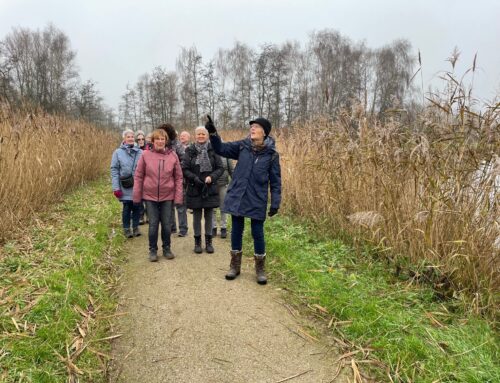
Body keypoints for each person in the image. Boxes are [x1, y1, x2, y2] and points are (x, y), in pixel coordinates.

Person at [206, 116, 281, 285]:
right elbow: (221, 149)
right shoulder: (242, 146)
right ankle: (235, 266)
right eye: (251, 126)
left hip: (257, 197)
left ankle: (260, 269)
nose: (252, 129)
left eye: (256, 126)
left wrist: (275, 202)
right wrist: (213, 133)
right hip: (238, 194)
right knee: (237, 230)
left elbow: (276, 181)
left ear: (264, 132)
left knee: (257, 233)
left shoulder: (272, 155)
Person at [132, 128, 183, 262]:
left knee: (166, 224)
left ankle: (167, 248)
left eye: (163, 139)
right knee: (153, 224)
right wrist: (137, 196)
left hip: (167, 196)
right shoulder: (145, 155)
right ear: (153, 141)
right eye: (158, 139)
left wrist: (178, 197)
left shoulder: (173, 156)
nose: (160, 141)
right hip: (150, 196)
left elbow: (178, 178)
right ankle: (152, 250)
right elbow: (138, 176)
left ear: (166, 141)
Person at [182, 126, 224, 254]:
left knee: (209, 216)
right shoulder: (190, 150)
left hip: (210, 188)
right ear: (195, 136)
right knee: (196, 217)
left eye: (203, 134)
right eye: (198, 134)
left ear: (207, 136)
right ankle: (197, 242)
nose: (201, 136)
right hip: (195, 188)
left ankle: (209, 242)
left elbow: (220, 167)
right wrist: (194, 178)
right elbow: (184, 169)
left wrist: (212, 177)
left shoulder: (213, 149)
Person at [110, 129, 143, 238]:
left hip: (138, 184)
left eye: (132, 136)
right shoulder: (117, 152)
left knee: (137, 206)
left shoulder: (140, 152)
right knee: (127, 207)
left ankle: (136, 227)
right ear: (124, 138)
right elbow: (114, 170)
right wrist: (116, 188)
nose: (130, 138)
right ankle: (126, 228)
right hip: (125, 185)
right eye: (128, 136)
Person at [159, 123, 188, 237]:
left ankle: (183, 228)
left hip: (178, 178)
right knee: (168, 205)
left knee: (180, 204)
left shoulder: (177, 145)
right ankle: (172, 227)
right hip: (165, 180)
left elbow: (184, 160)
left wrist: (173, 168)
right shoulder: (160, 145)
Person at [212, 153, 233, 238]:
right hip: (212, 184)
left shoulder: (226, 153)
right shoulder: (209, 150)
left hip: (223, 184)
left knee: (223, 207)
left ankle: (223, 228)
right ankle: (213, 227)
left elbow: (231, 169)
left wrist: (235, 182)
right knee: (212, 207)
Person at [135, 130, 147, 224]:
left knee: (148, 197)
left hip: (147, 176)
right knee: (140, 197)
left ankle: (150, 215)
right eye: (139, 139)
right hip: (138, 176)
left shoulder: (148, 148)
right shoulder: (134, 150)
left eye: (142, 138)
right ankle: (141, 215)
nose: (141, 140)